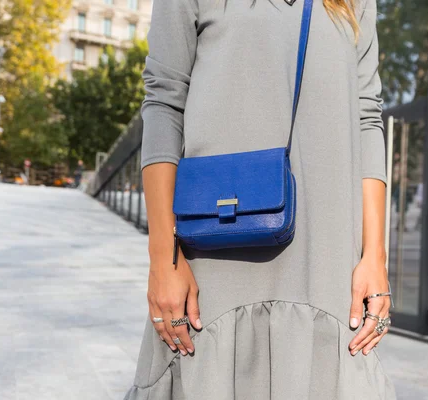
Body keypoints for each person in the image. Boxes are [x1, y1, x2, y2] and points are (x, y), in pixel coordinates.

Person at [126, 1, 395, 399]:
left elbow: (367, 116)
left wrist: (376, 257)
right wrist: (162, 258)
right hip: (216, 264)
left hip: (325, 267)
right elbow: (164, 102)